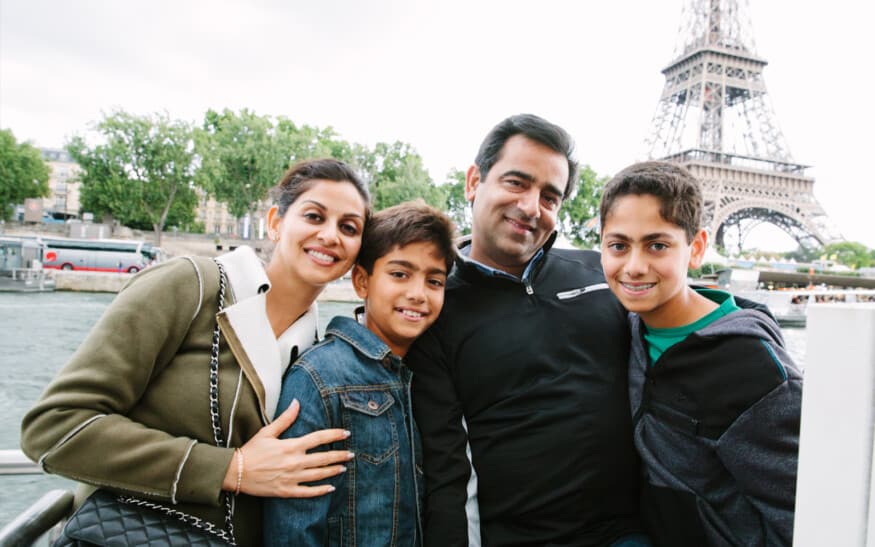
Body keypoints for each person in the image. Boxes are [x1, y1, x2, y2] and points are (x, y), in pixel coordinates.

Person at [20, 158, 371, 546]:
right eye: (314, 216)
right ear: (274, 222)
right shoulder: (189, 285)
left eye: (348, 227)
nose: (330, 235)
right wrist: (230, 468)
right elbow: (54, 426)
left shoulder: (318, 354)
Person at [406, 114, 644, 546]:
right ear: (474, 181)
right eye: (516, 183)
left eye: (550, 197)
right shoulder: (433, 309)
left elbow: (682, 313)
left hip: (631, 533)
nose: (532, 207)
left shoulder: (602, 272)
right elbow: (447, 472)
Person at [598, 160, 802, 546]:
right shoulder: (629, 327)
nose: (635, 266)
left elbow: (799, 514)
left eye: (657, 245)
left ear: (696, 248)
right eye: (618, 245)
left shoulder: (754, 367)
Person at [263, 200, 456, 546]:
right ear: (362, 282)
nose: (417, 294)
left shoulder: (423, 376)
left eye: (435, 281)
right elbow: (293, 530)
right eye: (400, 274)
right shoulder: (320, 378)